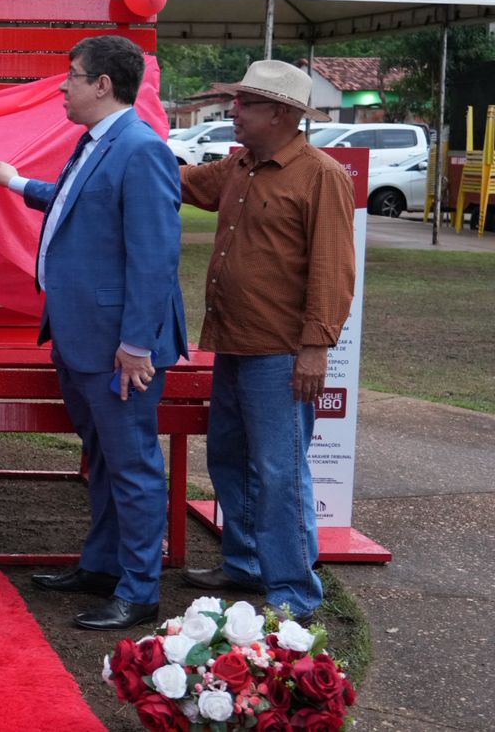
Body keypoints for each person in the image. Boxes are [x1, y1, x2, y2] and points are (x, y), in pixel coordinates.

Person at [0, 35, 188, 630]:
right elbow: (77, 201)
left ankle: (139, 589)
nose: (63, 86)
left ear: (103, 84)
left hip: (117, 345)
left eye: (72, 76)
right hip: (81, 335)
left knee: (132, 466)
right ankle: (102, 566)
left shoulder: (140, 148)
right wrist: (19, 183)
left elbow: (155, 257)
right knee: (102, 461)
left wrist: (136, 344)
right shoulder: (97, 141)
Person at [177, 60, 356, 624]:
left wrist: (315, 346)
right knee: (230, 457)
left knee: (279, 470)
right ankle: (248, 564)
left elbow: (333, 269)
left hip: (280, 351)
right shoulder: (242, 164)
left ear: (279, 113)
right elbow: (182, 183)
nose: (234, 110)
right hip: (234, 341)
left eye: (246, 104)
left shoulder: (320, 174)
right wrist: (130, 152)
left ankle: (293, 592)